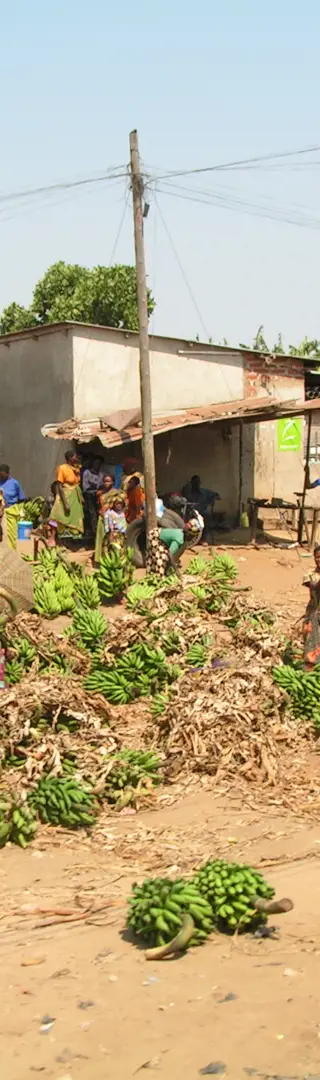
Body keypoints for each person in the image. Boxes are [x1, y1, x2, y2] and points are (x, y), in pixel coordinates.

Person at [50, 451, 84, 543]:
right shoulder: (62, 468)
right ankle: (53, 538)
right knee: (57, 515)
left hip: (74, 495)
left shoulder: (76, 469)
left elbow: (77, 483)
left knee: (75, 517)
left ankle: (72, 541)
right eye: (75, 457)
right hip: (64, 494)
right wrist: (65, 503)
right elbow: (59, 485)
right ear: (70, 458)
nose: (77, 459)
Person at [302, 545, 320, 669]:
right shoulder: (310, 575)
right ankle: (309, 671)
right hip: (313, 613)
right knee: (311, 642)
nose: (319, 560)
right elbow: (314, 585)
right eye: (317, 557)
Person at [0, 464, 25, 550]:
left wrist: (20, 510)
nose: (1, 477)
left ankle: (11, 553)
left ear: (8, 474)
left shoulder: (14, 483)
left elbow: (21, 498)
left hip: (10, 510)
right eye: (0, 475)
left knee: (11, 534)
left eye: (3, 475)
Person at [94, 473, 118, 563]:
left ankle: (112, 558)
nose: (106, 483)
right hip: (102, 518)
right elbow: (99, 505)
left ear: (113, 482)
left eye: (108, 481)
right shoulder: (101, 493)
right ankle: (101, 558)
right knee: (101, 537)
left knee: (112, 538)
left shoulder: (116, 493)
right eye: (104, 481)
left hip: (112, 518)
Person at [82, 455, 104, 536]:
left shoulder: (101, 474)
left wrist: (94, 485)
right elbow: (86, 487)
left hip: (98, 496)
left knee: (99, 514)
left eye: (99, 463)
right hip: (89, 496)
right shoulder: (87, 473)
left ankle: (100, 533)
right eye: (95, 463)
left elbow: (102, 486)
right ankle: (95, 534)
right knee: (92, 515)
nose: (97, 465)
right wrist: (96, 487)